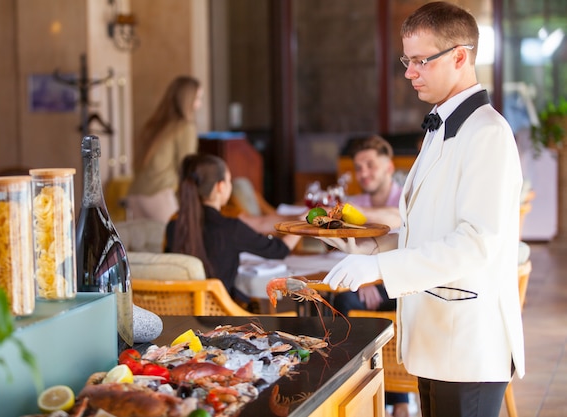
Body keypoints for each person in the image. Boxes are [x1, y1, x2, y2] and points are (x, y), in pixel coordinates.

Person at [320, 3, 525, 417]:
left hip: (467, 343)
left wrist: (379, 271)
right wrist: (368, 248)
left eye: (420, 61)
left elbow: (474, 245)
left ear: (460, 57)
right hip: (435, 338)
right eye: (406, 60)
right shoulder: (439, 126)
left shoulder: (488, 133)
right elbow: (428, 234)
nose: (409, 72)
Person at [165, 153, 301, 307]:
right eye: (229, 181)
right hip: (220, 317)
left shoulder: (174, 226)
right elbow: (280, 250)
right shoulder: (230, 228)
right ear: (220, 187)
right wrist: (303, 222)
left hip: (181, 312)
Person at [335, 135, 409, 417]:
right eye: (358, 167)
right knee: (338, 301)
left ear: (389, 167)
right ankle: (354, 392)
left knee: (398, 304)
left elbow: (398, 223)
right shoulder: (355, 202)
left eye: (370, 165)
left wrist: (373, 278)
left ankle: (399, 401)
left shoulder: (404, 199)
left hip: (398, 284)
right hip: (371, 285)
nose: (363, 173)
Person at [127, 75, 203, 224]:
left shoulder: (154, 125)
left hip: (135, 195)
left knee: (143, 247)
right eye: (197, 98)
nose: (199, 105)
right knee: (176, 245)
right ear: (187, 100)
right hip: (159, 195)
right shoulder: (184, 127)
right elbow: (187, 167)